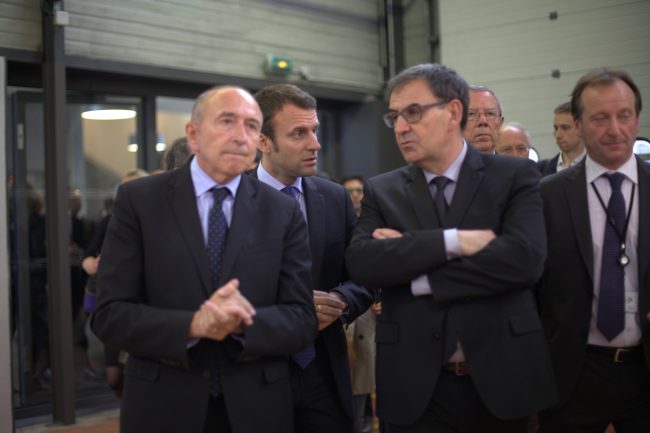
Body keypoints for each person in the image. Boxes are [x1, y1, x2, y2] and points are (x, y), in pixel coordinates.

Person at [91, 85, 317, 433]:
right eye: (227, 121)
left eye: (252, 126)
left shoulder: (282, 211)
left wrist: (242, 323)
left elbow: (301, 319)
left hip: (257, 408)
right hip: (163, 405)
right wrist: (194, 326)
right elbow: (109, 315)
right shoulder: (140, 201)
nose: (241, 136)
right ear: (193, 135)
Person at [345, 63, 557, 433]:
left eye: (413, 112)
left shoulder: (513, 176)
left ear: (453, 111)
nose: (401, 127)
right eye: (394, 116)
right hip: (414, 385)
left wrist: (415, 271)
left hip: (501, 376)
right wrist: (452, 242)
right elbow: (363, 263)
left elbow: (524, 262)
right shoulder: (384, 188)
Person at [252, 83, 374, 433]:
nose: (315, 144)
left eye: (315, 131)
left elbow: (363, 275)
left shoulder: (334, 198)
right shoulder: (234, 200)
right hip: (257, 368)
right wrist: (291, 306)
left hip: (324, 368)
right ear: (263, 141)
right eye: (299, 134)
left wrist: (340, 299)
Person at [538, 69, 650, 432]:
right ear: (578, 124)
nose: (614, 129)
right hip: (574, 371)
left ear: (637, 118)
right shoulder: (547, 195)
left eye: (624, 115)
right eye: (600, 118)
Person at [538, 102, 586, 176]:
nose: (558, 135)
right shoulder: (541, 170)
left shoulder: (598, 167)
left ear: (581, 128)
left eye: (565, 128)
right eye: (556, 128)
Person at [463, 84, 504, 153]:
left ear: (500, 124)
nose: (483, 121)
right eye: (471, 114)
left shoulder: (515, 164)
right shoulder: (444, 163)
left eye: (490, 114)